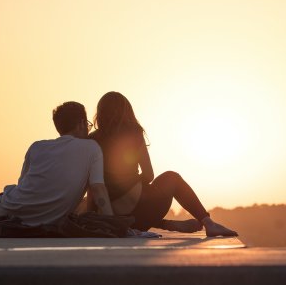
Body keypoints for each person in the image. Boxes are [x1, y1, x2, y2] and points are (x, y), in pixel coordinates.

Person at [88, 92, 237, 237]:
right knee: (172, 178)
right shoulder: (134, 133)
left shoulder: (92, 139)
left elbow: (91, 184)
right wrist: (133, 183)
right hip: (140, 211)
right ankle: (208, 223)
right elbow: (149, 174)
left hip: (110, 216)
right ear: (127, 112)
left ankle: (168, 224)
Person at [0, 101, 113, 226]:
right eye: (88, 125)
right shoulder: (92, 148)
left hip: (9, 212)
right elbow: (98, 189)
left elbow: (24, 185)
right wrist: (113, 224)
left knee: (1, 200)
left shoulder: (36, 147)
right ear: (81, 123)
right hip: (40, 220)